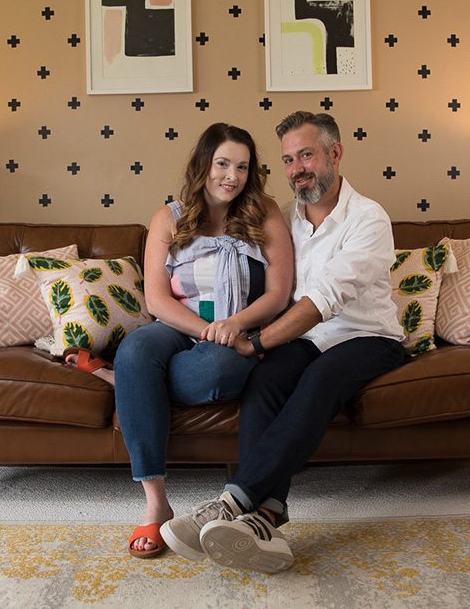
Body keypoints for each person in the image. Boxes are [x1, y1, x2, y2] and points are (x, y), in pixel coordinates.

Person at [160, 111, 406, 573]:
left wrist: (256, 342)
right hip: (308, 338)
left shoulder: (369, 218)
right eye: (289, 160)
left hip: (366, 335)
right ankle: (265, 520)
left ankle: (234, 503)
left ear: (335, 153)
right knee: (265, 382)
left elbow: (323, 299)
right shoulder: (284, 218)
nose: (297, 169)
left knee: (319, 379)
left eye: (307, 155)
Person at [65, 122, 293, 560]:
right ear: (203, 163)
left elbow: (278, 293)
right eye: (223, 163)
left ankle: (124, 381)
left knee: (217, 371)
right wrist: (203, 328)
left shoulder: (264, 211)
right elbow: (155, 298)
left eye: (242, 167)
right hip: (178, 325)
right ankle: (155, 502)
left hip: (237, 333)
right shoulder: (167, 217)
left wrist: (236, 323)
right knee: (137, 350)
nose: (232, 176)